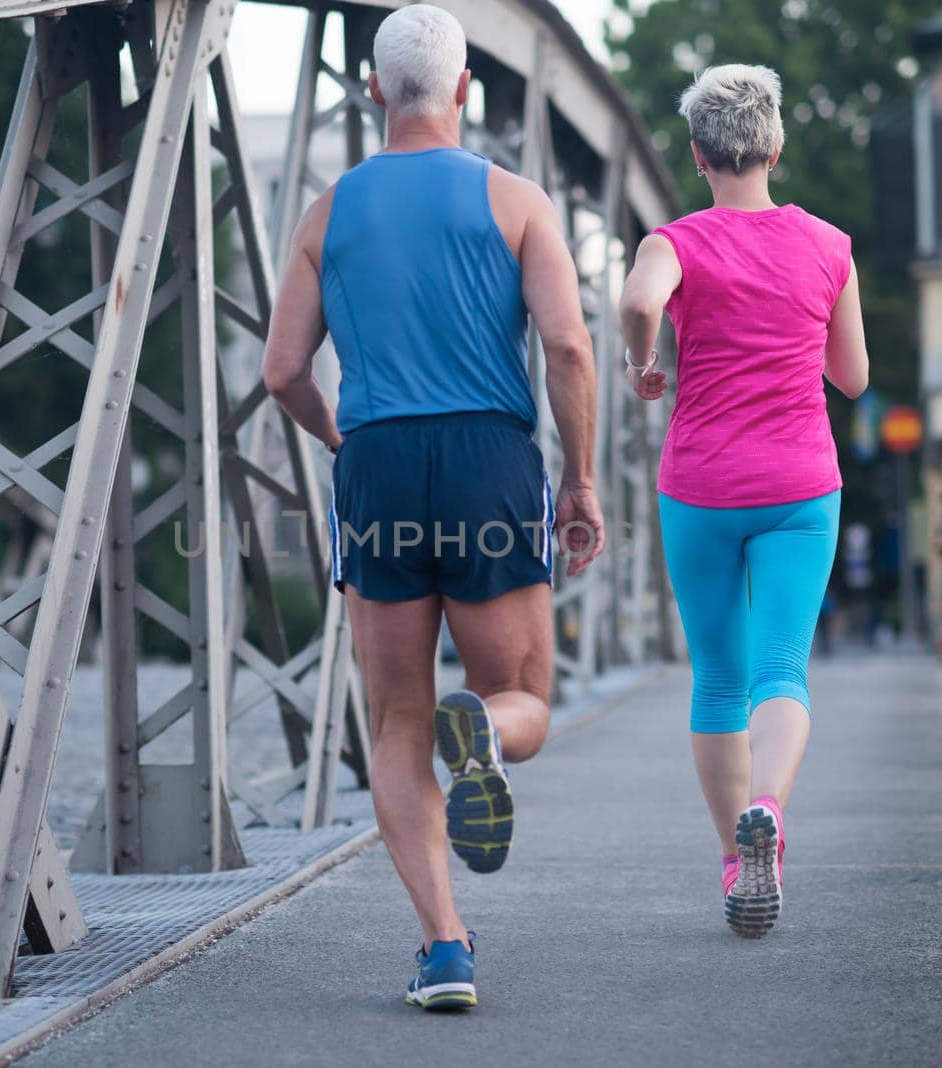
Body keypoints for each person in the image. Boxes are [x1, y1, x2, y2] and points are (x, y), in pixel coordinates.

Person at [262, 4, 604, 1009]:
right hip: (488, 460)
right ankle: (488, 735)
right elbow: (570, 350)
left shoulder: (325, 215)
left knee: (398, 717)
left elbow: (284, 370)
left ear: (374, 92)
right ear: (464, 89)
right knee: (524, 696)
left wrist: (339, 438)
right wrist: (578, 479)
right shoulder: (518, 201)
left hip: (377, 463)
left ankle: (445, 948)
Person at [618, 64, 869, 938]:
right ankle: (770, 805)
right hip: (801, 486)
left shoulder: (674, 242)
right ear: (775, 145)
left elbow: (638, 301)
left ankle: (736, 859)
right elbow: (855, 377)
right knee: (782, 672)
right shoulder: (829, 245)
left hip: (701, 487)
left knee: (718, 680)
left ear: (698, 155)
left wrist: (643, 362)